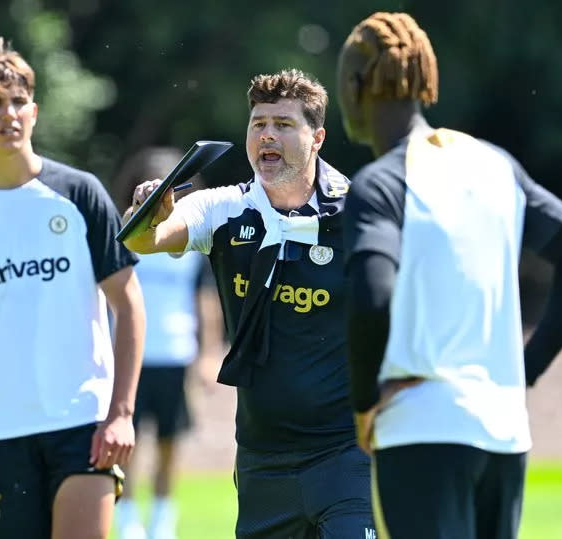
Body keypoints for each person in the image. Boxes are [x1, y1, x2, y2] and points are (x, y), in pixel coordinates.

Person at [338, 12, 562, 539]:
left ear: (355, 86)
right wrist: (523, 371)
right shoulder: (495, 165)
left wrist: (364, 402)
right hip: (503, 433)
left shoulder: (379, 184)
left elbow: (372, 298)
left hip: (419, 430)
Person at [123, 70, 376, 538]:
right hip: (263, 462)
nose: (267, 135)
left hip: (347, 455)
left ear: (316, 137)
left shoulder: (362, 211)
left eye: (283, 124)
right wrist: (149, 211)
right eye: (258, 124)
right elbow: (146, 239)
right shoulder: (223, 207)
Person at [0, 37, 145, 539]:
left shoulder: (79, 195)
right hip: (5, 438)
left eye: (19, 102)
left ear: (36, 111)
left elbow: (129, 307)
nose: (9, 114)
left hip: (85, 426)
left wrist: (121, 414)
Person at [111, 148, 225, 539]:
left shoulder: (192, 242)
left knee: (169, 447)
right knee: (128, 449)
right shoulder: (122, 237)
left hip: (176, 357)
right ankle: (128, 525)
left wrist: (209, 356)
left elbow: (205, 303)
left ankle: (162, 526)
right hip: (130, 358)